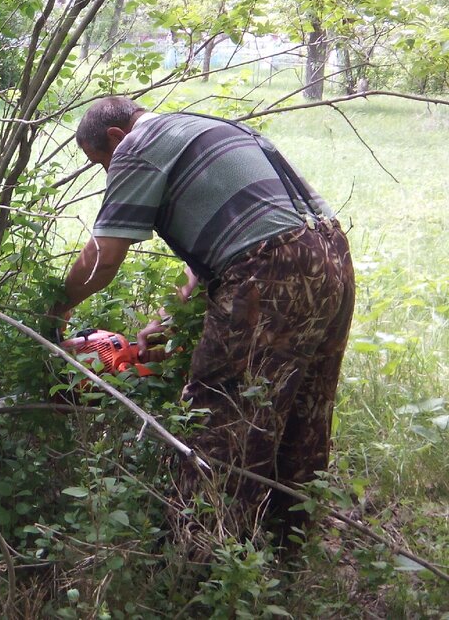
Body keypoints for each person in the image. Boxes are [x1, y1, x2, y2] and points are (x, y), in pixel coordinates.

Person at [52, 96, 355, 547]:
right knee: (303, 411)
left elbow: (104, 257)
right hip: (331, 255)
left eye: (102, 163)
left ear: (117, 136)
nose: (107, 173)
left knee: (219, 417)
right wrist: (171, 314)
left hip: (269, 270)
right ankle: (286, 549)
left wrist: (55, 309)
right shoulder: (206, 126)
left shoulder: (137, 144)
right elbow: (249, 227)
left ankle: (201, 559)